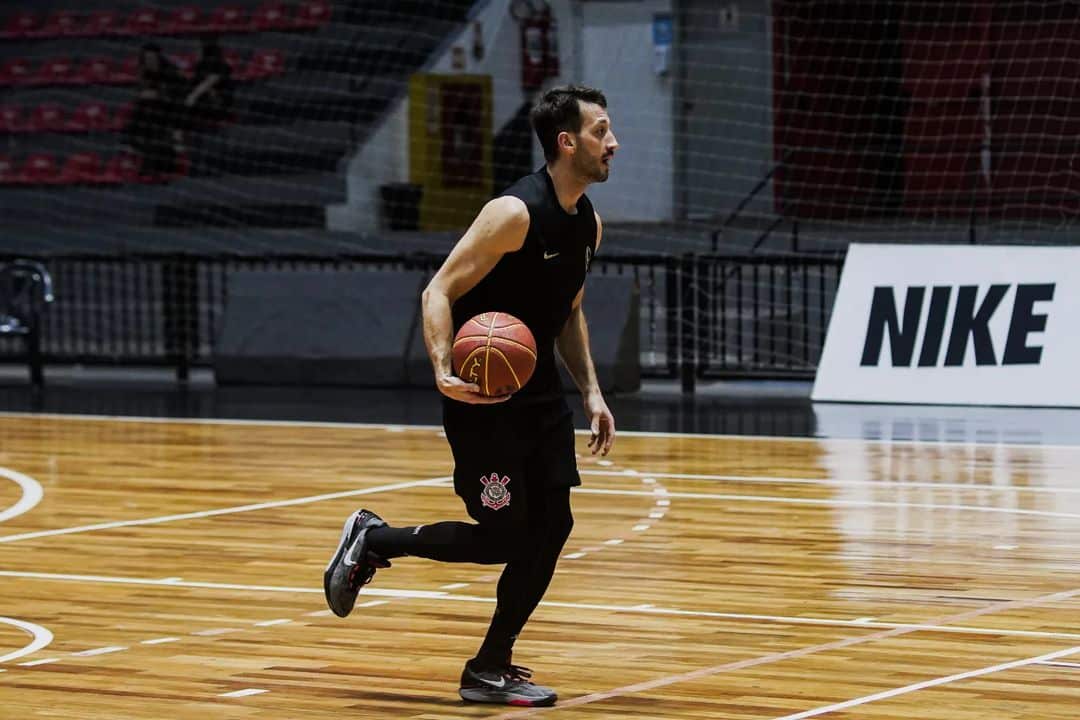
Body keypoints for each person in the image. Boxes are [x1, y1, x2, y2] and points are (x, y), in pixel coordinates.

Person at [323, 85, 619, 707]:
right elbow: (438, 291)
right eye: (600, 131)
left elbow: (568, 314)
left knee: (554, 524)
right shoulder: (512, 212)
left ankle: (490, 665)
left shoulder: (589, 223)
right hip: (483, 400)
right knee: (506, 537)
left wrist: (592, 391)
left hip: (538, 398)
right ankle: (374, 540)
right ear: (567, 142)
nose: (612, 142)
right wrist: (440, 368)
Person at [123, 44, 183, 176]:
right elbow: (141, 93)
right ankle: (133, 144)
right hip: (151, 111)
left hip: (170, 110)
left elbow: (178, 95)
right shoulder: (144, 72)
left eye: (153, 58)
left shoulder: (170, 72)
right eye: (147, 58)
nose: (150, 61)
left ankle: (134, 145)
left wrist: (159, 94)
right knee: (142, 109)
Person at [183, 36, 233, 131]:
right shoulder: (200, 66)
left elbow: (210, 81)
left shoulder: (220, 65)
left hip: (217, 103)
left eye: (198, 48)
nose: (196, 51)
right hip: (202, 101)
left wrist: (193, 96)